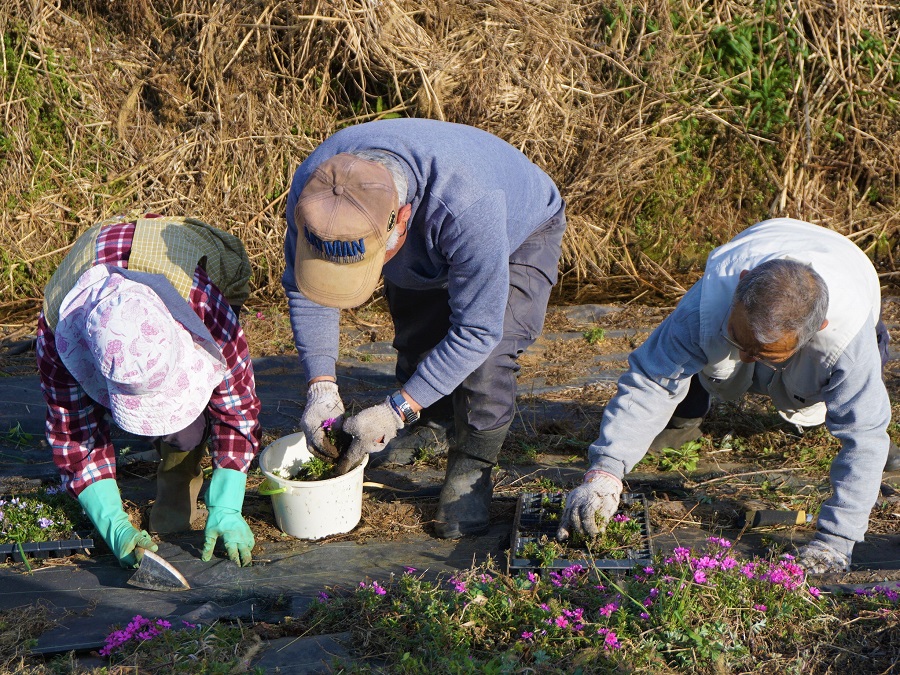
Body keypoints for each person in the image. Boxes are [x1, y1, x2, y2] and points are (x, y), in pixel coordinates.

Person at [558, 217, 895, 573]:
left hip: (851, 270)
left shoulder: (847, 339)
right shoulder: (711, 298)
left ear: (819, 329)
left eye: (766, 354)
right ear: (742, 282)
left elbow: (863, 437)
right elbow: (653, 379)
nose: (749, 359)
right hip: (766, 245)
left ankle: (867, 457)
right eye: (741, 340)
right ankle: (685, 415)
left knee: (863, 425)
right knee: (707, 351)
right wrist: (605, 472)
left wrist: (835, 543)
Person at [283, 118, 566, 538]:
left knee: (486, 361)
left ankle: (473, 465)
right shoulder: (317, 188)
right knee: (418, 328)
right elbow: (309, 291)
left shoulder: (470, 205)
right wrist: (321, 388)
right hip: (432, 232)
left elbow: (476, 331)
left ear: (402, 217)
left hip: (519, 230)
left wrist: (396, 410)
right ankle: (431, 421)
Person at [37, 214, 261, 568]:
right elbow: (75, 436)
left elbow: (236, 404)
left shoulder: (202, 302)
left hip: (181, 260)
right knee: (172, 428)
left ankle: (178, 478)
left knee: (186, 430)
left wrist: (228, 504)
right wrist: (115, 527)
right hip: (96, 257)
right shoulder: (58, 334)